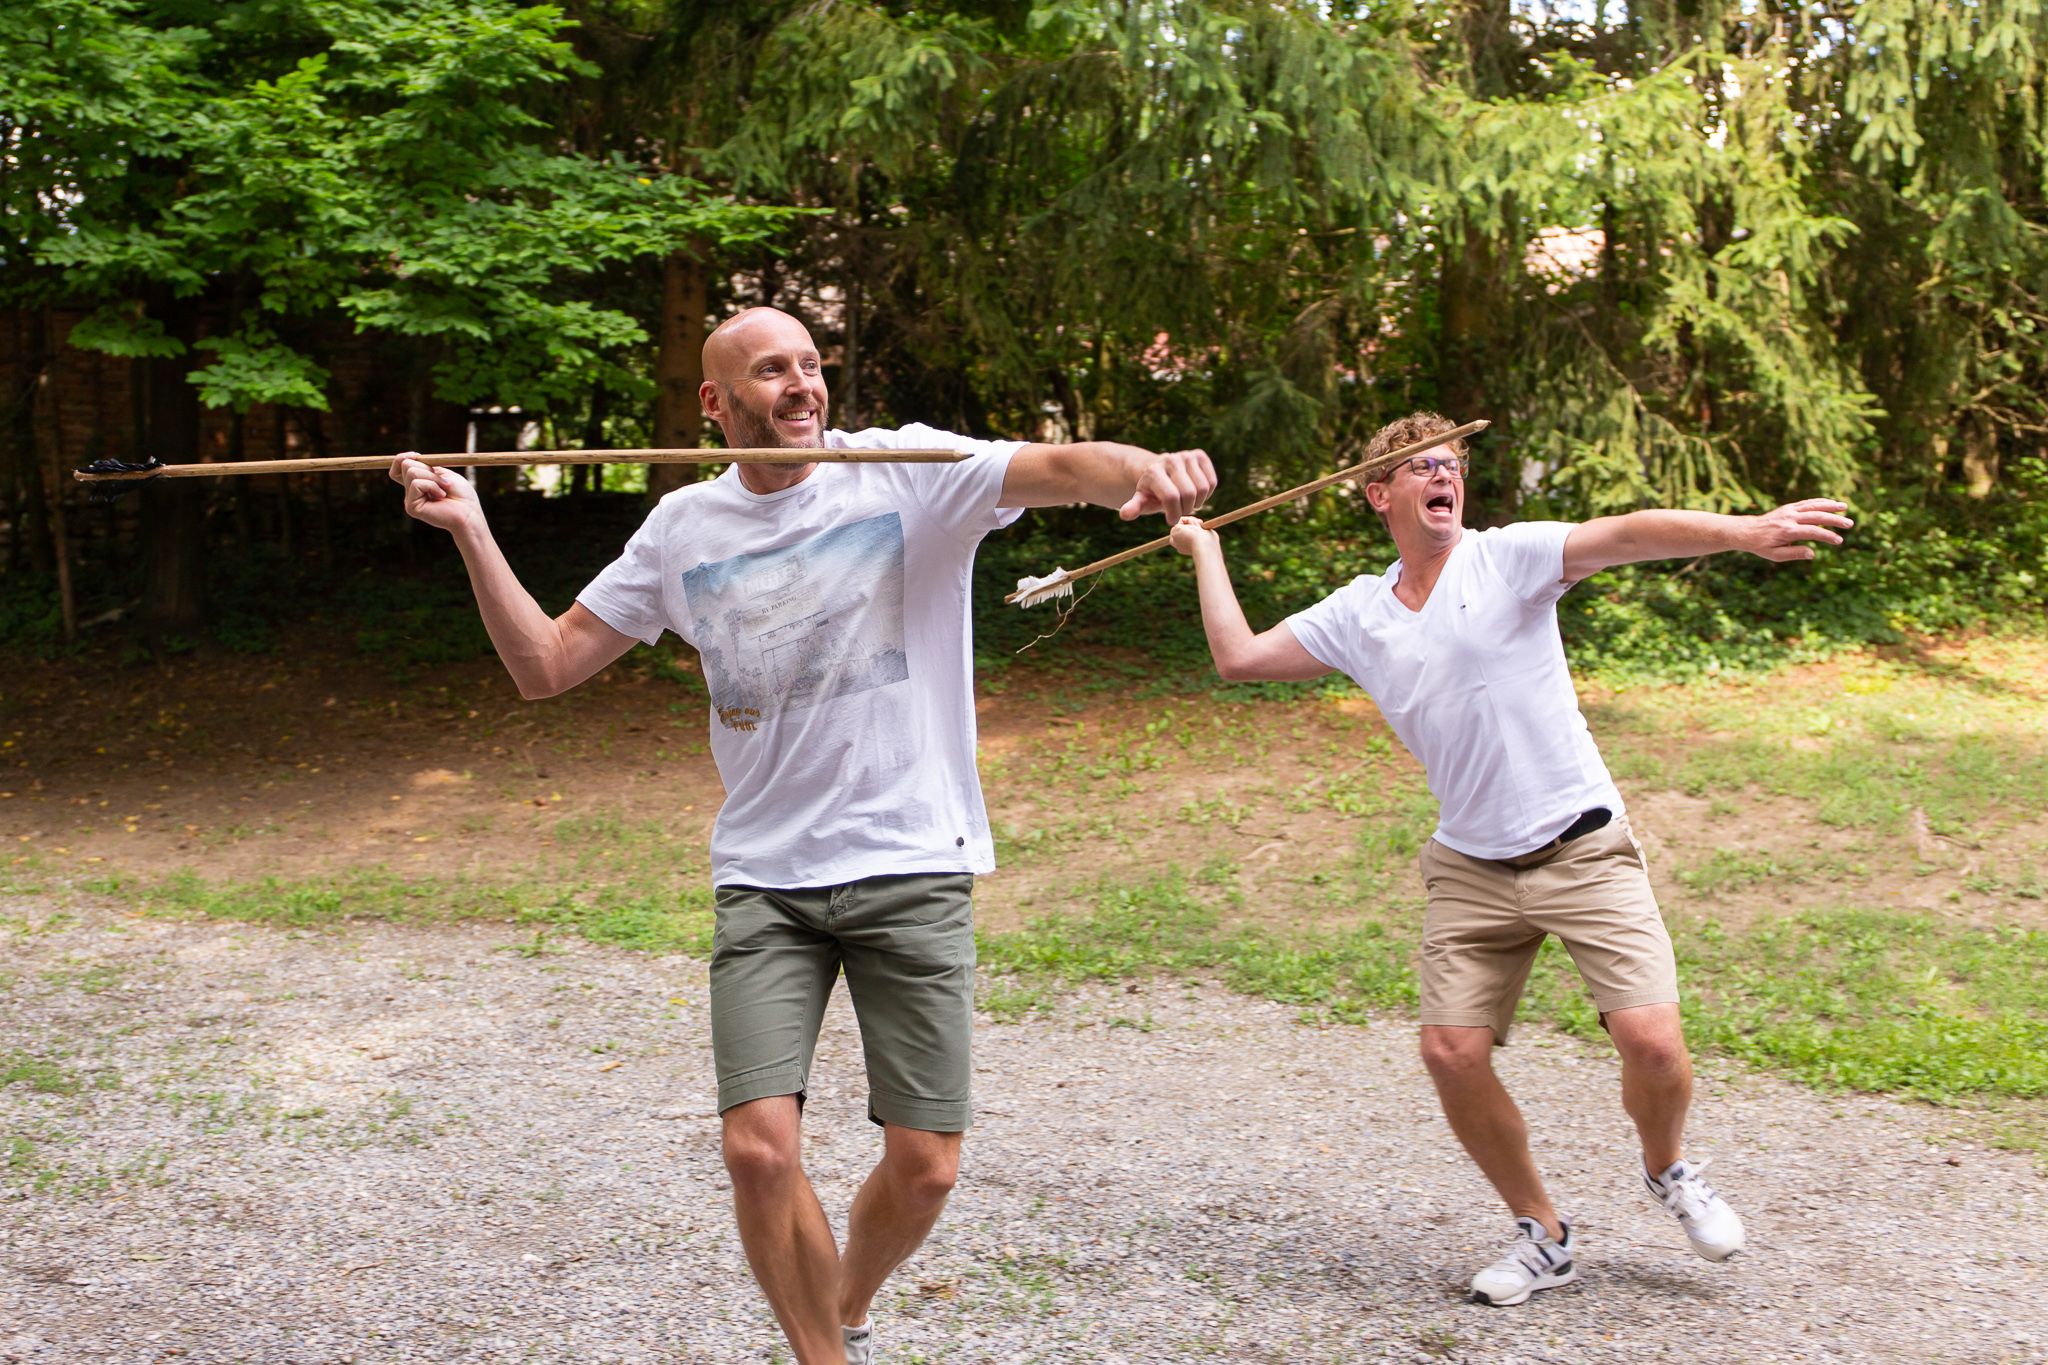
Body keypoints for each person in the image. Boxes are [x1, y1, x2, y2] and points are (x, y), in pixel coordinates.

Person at [391, 306, 1215, 1363]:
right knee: (757, 1152)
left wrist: (1138, 469)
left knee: (926, 1167)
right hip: (766, 877)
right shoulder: (682, 528)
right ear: (714, 401)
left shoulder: (904, 470)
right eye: (771, 370)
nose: (800, 386)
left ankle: (845, 1307)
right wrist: (472, 527)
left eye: (811, 366)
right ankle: (822, 1357)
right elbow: (543, 666)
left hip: (910, 857)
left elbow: (1062, 464)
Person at [1167, 411, 1851, 1306]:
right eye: (1422, 468)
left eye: (1453, 464)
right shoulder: (1359, 614)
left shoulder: (1508, 557)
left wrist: (1747, 532)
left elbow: (1628, 533)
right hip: (1472, 867)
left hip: (1582, 845)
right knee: (1451, 1052)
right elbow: (1239, 656)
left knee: (1653, 1043)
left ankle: (1669, 1169)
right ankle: (1544, 1232)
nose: (1445, 476)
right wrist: (1204, 549)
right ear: (1382, 494)